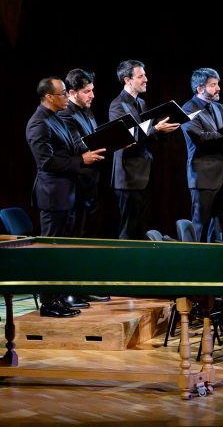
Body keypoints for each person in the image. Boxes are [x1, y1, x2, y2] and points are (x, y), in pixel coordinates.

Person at [26, 77, 105, 317]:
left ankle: (59, 297)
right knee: (50, 250)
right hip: (53, 196)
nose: (66, 98)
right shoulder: (39, 123)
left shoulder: (56, 118)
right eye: (62, 94)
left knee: (63, 249)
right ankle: (48, 302)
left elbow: (70, 147)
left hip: (68, 193)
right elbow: (46, 161)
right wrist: (81, 160)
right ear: (49, 97)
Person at [109, 60, 179, 240]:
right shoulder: (117, 105)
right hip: (128, 177)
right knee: (128, 228)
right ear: (127, 80)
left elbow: (146, 136)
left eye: (145, 75)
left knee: (141, 228)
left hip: (143, 174)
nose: (146, 79)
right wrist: (155, 129)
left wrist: (164, 130)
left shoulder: (141, 103)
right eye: (141, 76)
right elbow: (126, 137)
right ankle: (123, 265)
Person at [180, 68, 223, 242]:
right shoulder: (188, 108)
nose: (218, 88)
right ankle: (192, 262)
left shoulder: (220, 107)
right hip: (203, 175)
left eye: (218, 84)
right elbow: (199, 138)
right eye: (213, 85)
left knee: (218, 225)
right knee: (199, 224)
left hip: (222, 173)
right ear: (200, 89)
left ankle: (214, 261)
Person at [58, 69, 101, 239]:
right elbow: (78, 146)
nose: (92, 95)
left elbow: (94, 136)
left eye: (92, 90)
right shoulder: (65, 112)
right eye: (86, 92)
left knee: (91, 232)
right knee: (78, 234)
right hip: (76, 184)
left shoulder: (86, 109)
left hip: (91, 181)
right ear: (71, 93)